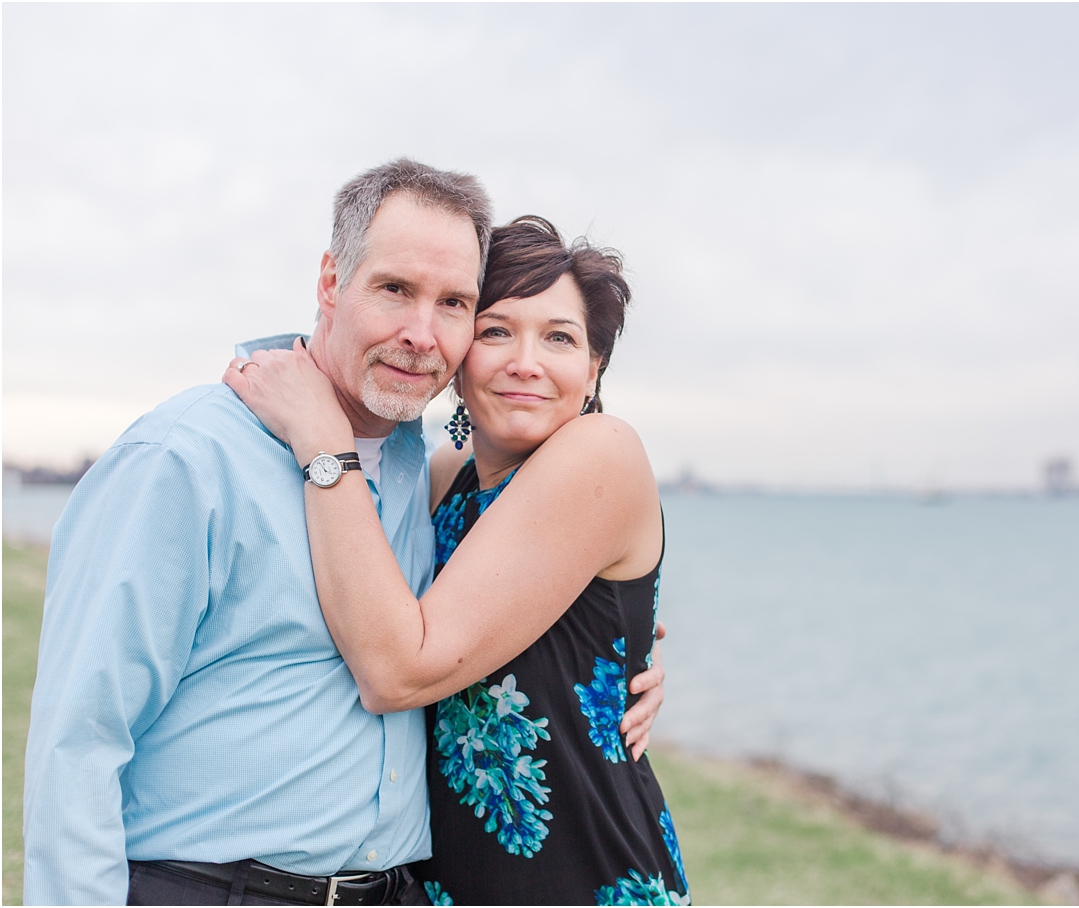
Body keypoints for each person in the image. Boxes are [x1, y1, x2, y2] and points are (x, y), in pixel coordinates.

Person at [23, 160, 665, 906]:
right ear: (331, 282)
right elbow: (78, 743)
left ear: (594, 368)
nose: (421, 334)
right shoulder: (188, 459)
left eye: (454, 303)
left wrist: (621, 636)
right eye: (395, 289)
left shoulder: (406, 468)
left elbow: (523, 604)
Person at [225, 215, 688, 905]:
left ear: (593, 370)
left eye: (559, 338)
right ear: (460, 354)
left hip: (581, 872)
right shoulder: (442, 475)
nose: (525, 361)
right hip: (443, 879)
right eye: (496, 330)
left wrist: (322, 439)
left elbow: (396, 670)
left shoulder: (605, 451)